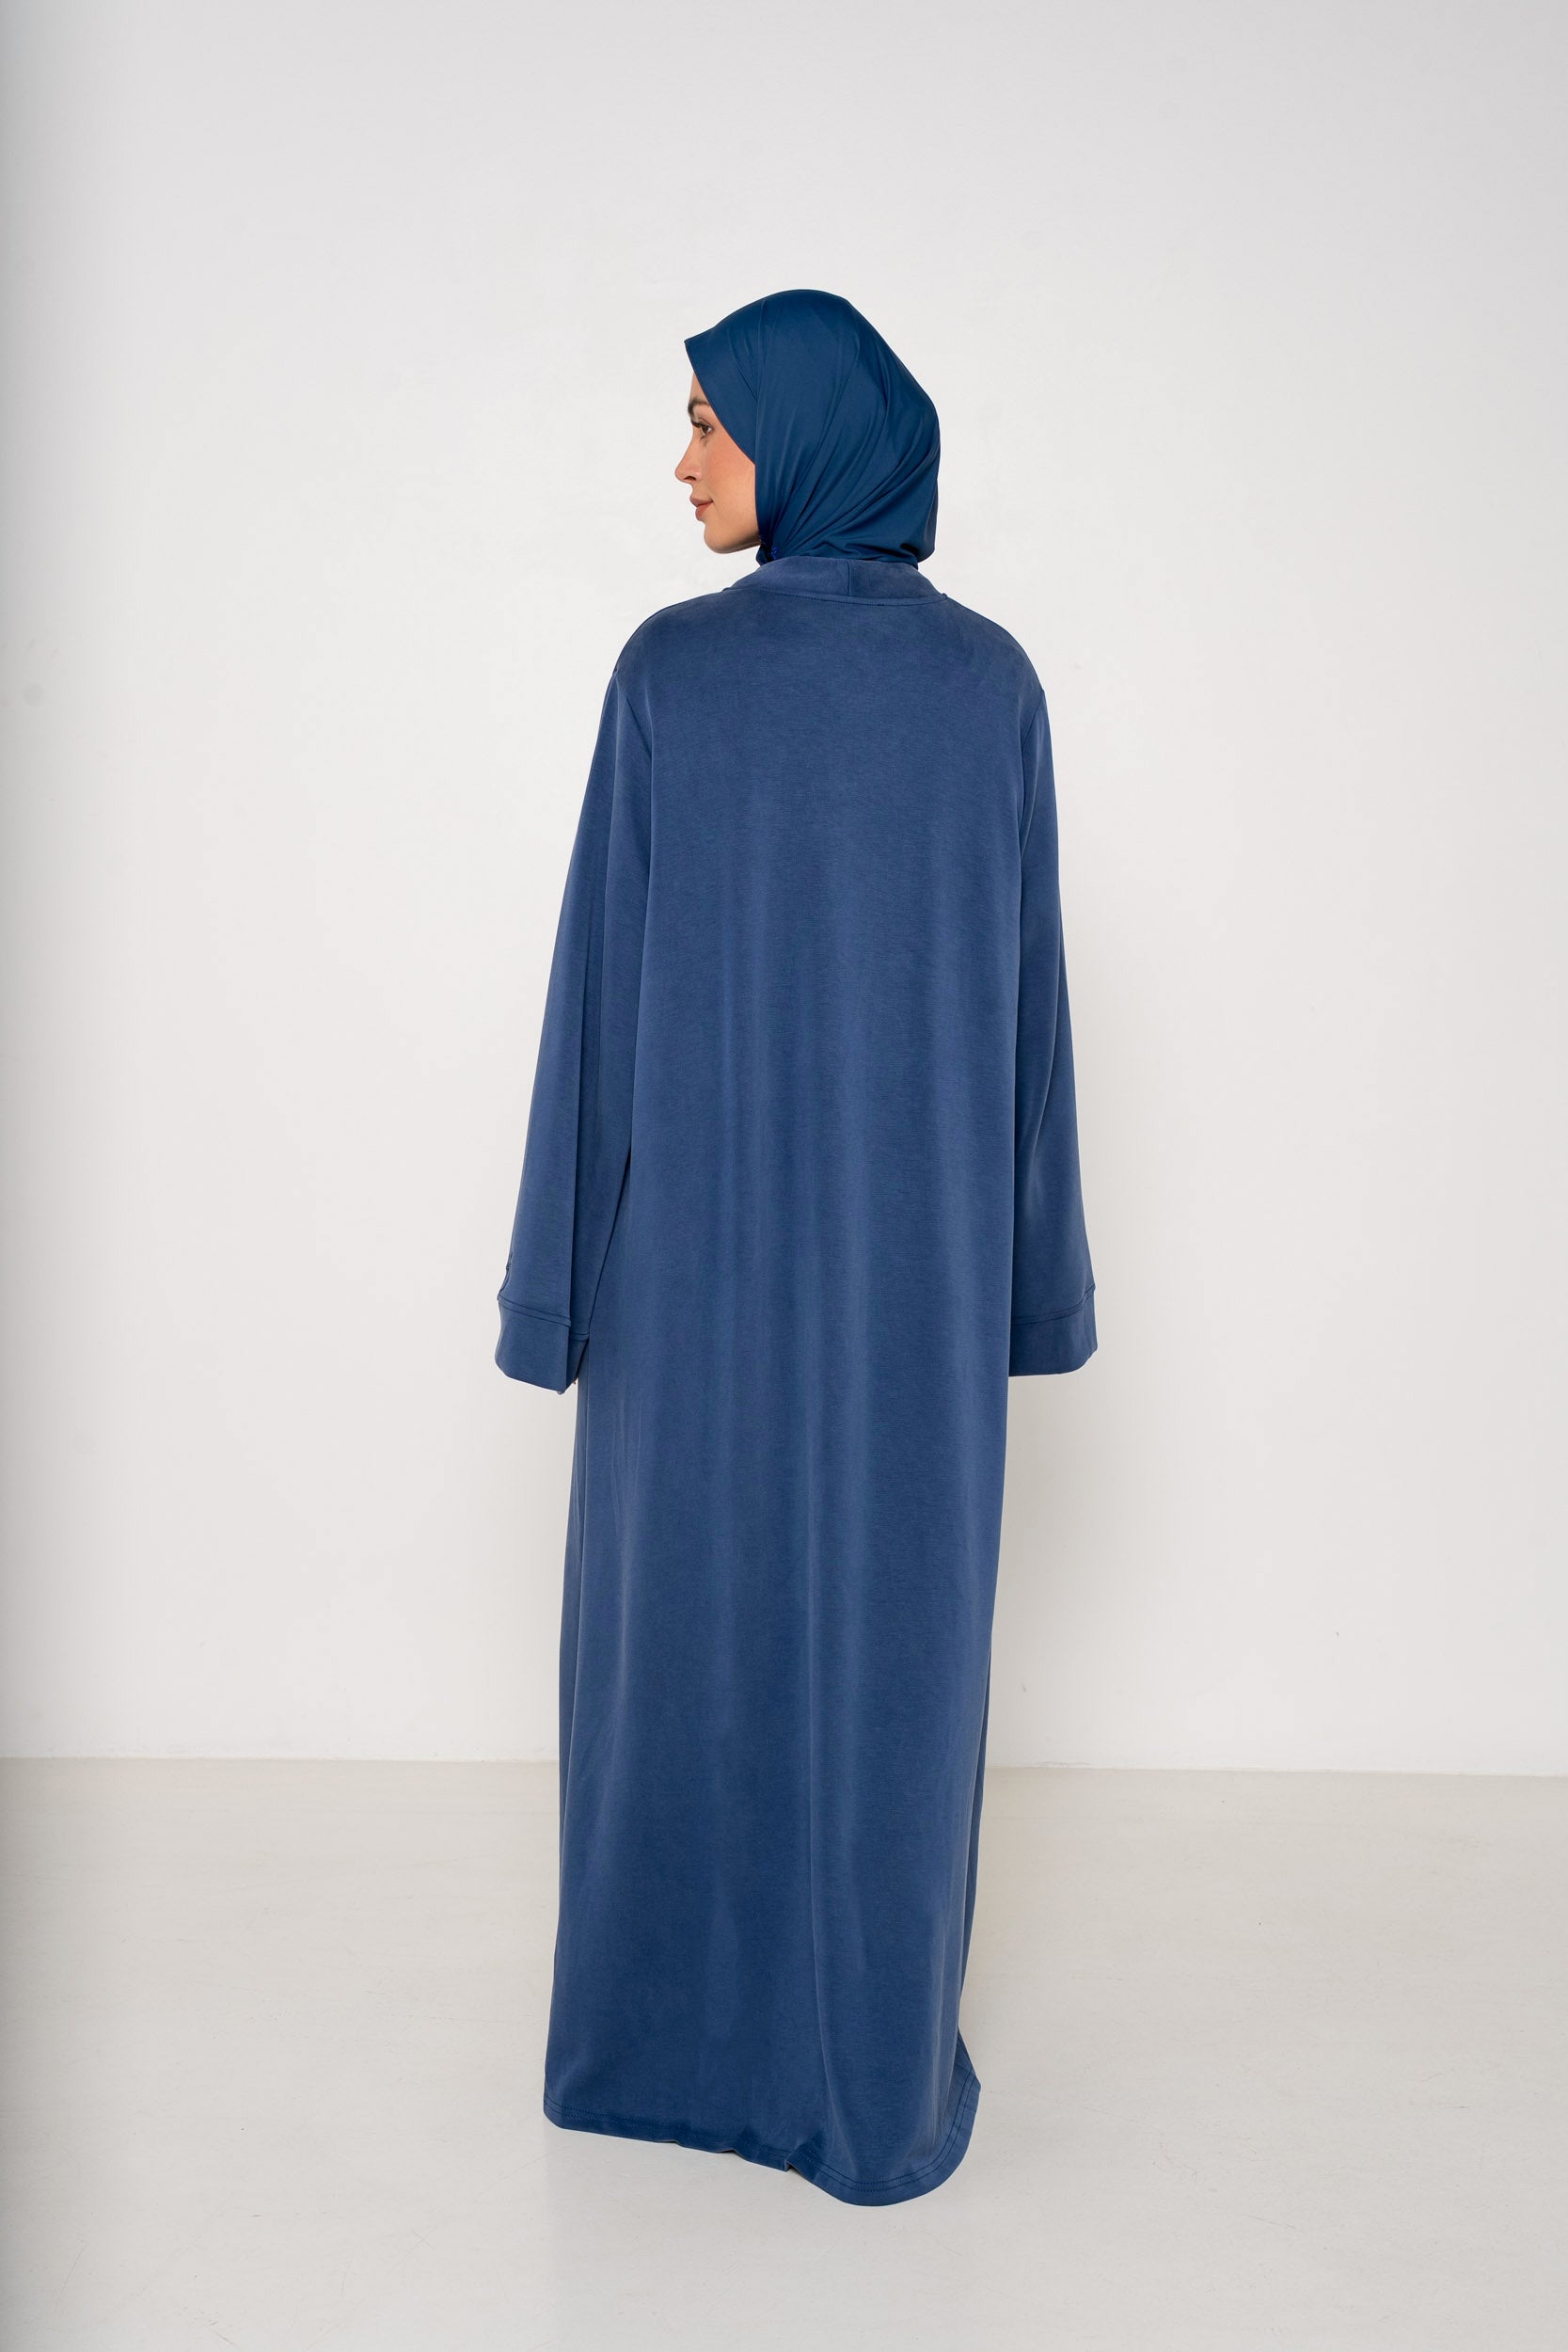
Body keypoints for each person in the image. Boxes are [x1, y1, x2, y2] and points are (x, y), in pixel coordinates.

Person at [494, 289, 1097, 2206]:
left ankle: (650, 2056)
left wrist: (554, 1299)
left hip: (685, 1285)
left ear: (805, 433)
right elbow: (1031, 1032)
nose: (682, 460)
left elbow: (595, 1016)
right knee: (886, 1666)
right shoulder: (988, 686)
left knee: (678, 1649)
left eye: (708, 420)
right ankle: (861, 2081)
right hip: (915, 1292)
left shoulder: (670, 678)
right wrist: (1031, 1294)